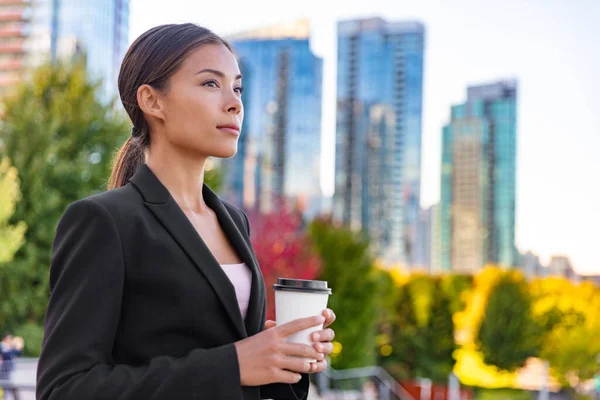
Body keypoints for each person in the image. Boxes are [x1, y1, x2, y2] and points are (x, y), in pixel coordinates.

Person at [36, 23, 336, 400]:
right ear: (152, 101)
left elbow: (230, 366)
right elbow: (64, 389)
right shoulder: (104, 221)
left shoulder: (234, 222)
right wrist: (236, 363)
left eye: (237, 87)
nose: (235, 103)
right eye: (211, 84)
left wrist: (281, 357)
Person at [0, 333, 23, 400]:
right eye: (9, 339)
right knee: (6, 384)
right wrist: (13, 348)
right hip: (3, 368)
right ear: (4, 339)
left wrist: (19, 348)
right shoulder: (2, 345)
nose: (10, 340)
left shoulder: (9, 347)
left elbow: (18, 353)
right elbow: (6, 354)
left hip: (8, 368)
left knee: (8, 384)